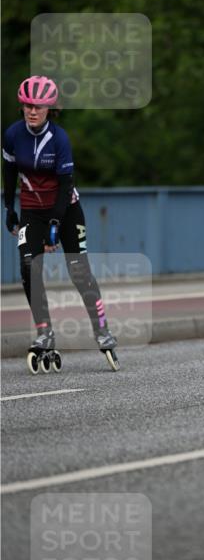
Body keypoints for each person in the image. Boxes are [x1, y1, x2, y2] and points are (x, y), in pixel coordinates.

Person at [3, 75, 119, 372]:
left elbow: (66, 185)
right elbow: (9, 173)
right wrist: (8, 207)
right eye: (28, 105)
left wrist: (55, 225)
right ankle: (45, 332)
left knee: (78, 271)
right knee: (29, 266)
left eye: (38, 107)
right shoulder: (13, 135)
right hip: (31, 210)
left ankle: (102, 330)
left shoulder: (60, 139)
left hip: (65, 209)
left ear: (49, 109)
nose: (32, 111)